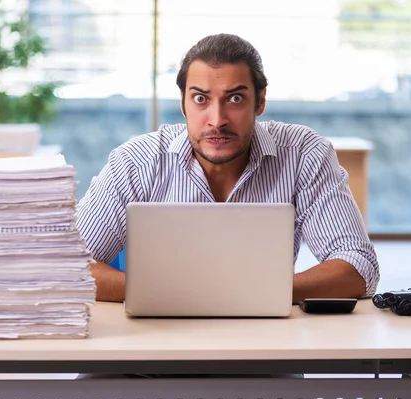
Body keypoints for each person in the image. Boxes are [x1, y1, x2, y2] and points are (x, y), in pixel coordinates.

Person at [76, 33, 380, 306]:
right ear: (183, 104)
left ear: (259, 102)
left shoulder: (303, 154)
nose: (217, 119)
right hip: (145, 360)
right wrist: (177, 294)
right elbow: (69, 267)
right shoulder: (135, 163)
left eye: (235, 99)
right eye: (200, 99)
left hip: (264, 360)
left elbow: (357, 266)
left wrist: (252, 293)